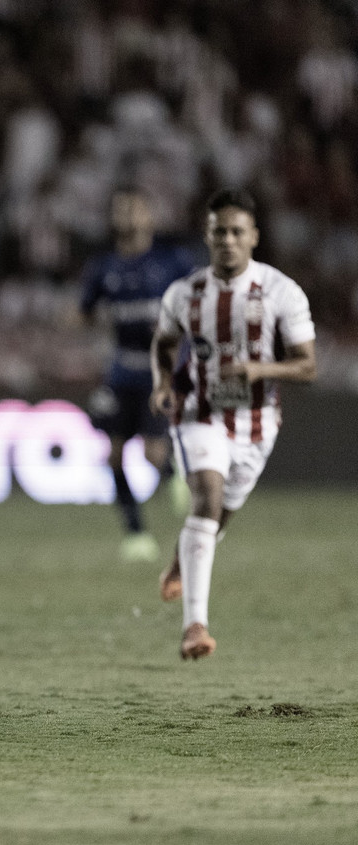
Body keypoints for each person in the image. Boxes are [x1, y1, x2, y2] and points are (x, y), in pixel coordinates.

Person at [150, 188, 316, 660]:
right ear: (207, 236)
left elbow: (308, 366)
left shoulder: (281, 292)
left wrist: (258, 370)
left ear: (254, 238)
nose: (227, 239)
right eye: (219, 231)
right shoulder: (185, 294)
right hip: (200, 415)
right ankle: (195, 626)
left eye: (236, 231)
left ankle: (180, 564)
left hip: (258, 426)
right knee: (207, 497)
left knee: (219, 517)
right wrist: (164, 384)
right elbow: (164, 344)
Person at [78, 186, 195, 562]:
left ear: (149, 216)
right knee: (112, 455)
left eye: (134, 209)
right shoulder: (104, 268)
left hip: (160, 371)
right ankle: (135, 535)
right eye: (121, 210)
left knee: (150, 454)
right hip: (121, 371)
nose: (127, 216)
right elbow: (84, 312)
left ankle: (177, 470)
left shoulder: (172, 263)